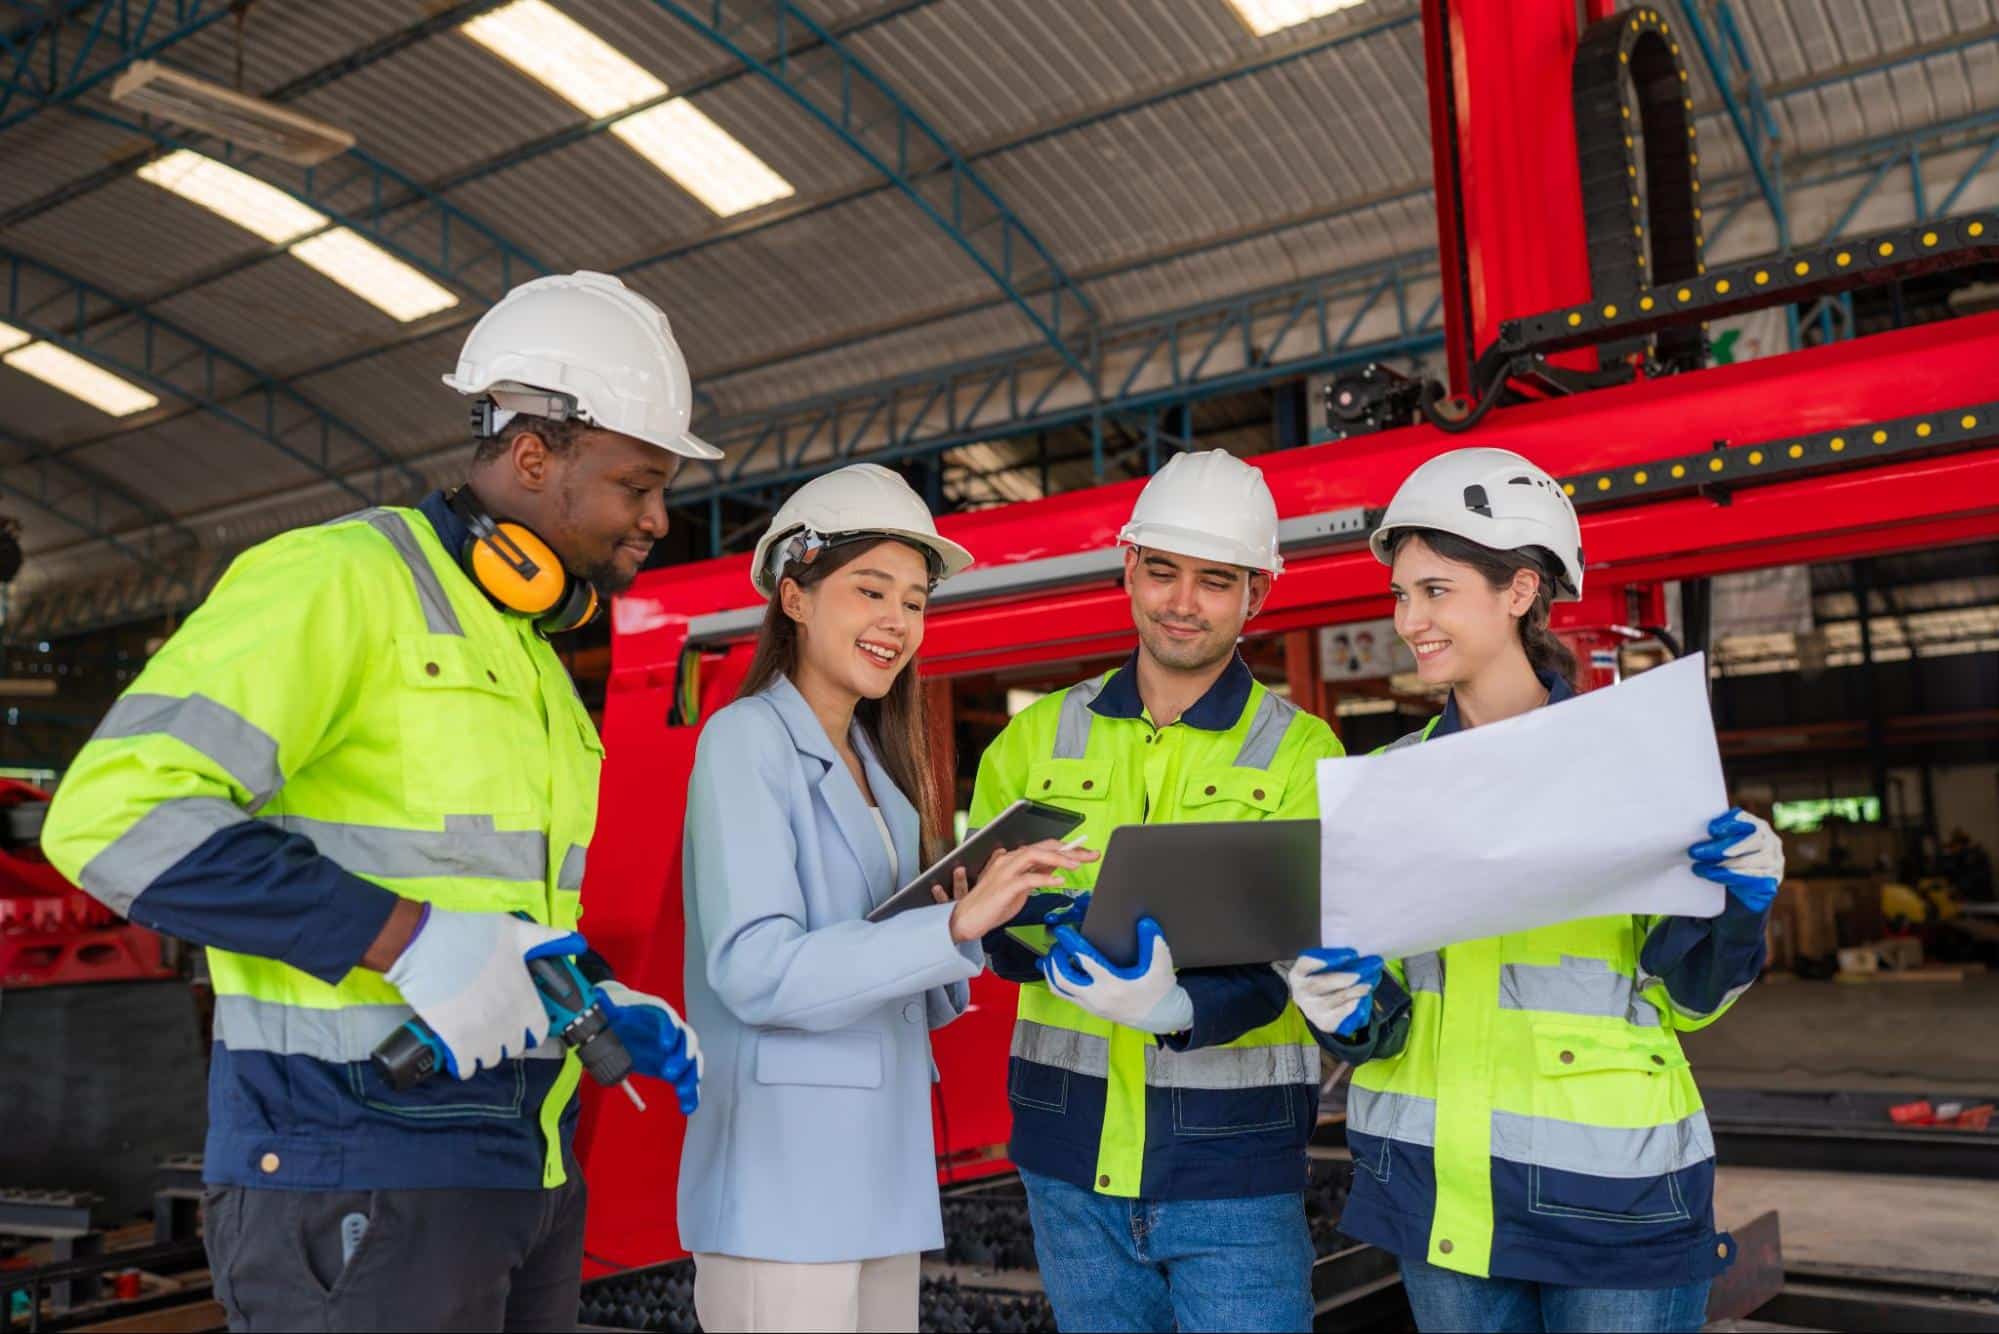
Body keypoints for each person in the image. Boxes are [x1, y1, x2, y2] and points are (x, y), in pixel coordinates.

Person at [41, 271, 709, 1333]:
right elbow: (113, 815)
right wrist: (405, 940)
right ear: (534, 455)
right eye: (637, 483)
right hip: (354, 1167)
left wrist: (586, 996)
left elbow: (484, 903)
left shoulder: (525, 655)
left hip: (519, 1165)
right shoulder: (341, 581)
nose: (656, 518)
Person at [1283, 447, 1782, 1334]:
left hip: (1615, 1199)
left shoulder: (1634, 763)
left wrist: (1736, 909)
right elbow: (1384, 1018)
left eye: (1435, 591)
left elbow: (1683, 996)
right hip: (1438, 1191)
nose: (1408, 620)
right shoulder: (1382, 783)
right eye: (1400, 595)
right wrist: (1342, 1008)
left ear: (1518, 590)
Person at [676, 463, 1095, 1333]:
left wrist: (976, 911)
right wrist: (948, 923)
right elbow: (753, 970)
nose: (896, 622)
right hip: (781, 1183)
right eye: (871, 591)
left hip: (878, 1173)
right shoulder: (744, 739)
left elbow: (898, 981)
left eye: (913, 601)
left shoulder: (884, 778)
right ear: (794, 596)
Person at [970, 449, 1345, 1332]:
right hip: (1068, 1161)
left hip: (1233, 1169)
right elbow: (991, 924)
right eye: (1164, 572)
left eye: (1214, 581)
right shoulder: (1034, 739)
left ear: (1255, 594)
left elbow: (1296, 947)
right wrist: (1039, 939)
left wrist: (1177, 1007)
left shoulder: (1304, 753)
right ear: (1128, 569)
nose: (1182, 602)